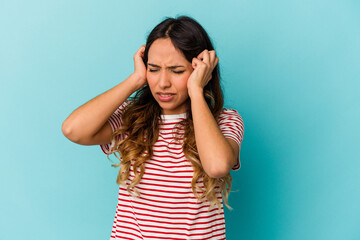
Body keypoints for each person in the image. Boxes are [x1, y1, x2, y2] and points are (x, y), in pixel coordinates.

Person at [62, 15, 244, 240]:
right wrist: (136, 79)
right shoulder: (131, 118)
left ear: (200, 70)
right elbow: (73, 129)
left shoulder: (225, 121)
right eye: (154, 69)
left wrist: (196, 90)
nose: (163, 82)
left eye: (177, 71)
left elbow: (217, 166)